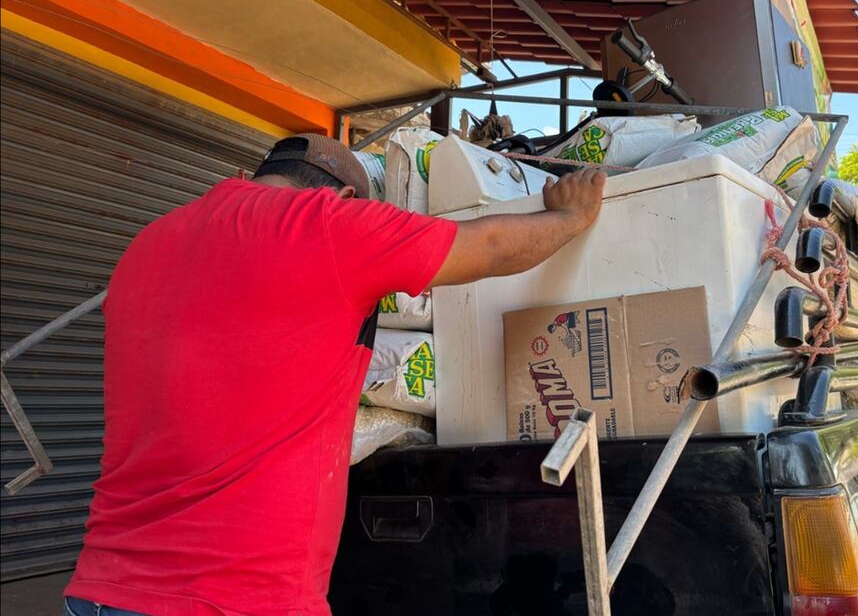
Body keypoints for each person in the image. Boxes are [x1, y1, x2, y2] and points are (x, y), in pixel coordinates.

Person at [63, 133, 606, 615]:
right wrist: (571, 217)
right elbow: (486, 248)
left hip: (101, 587)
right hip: (235, 594)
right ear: (344, 197)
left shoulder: (147, 245)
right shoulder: (324, 226)